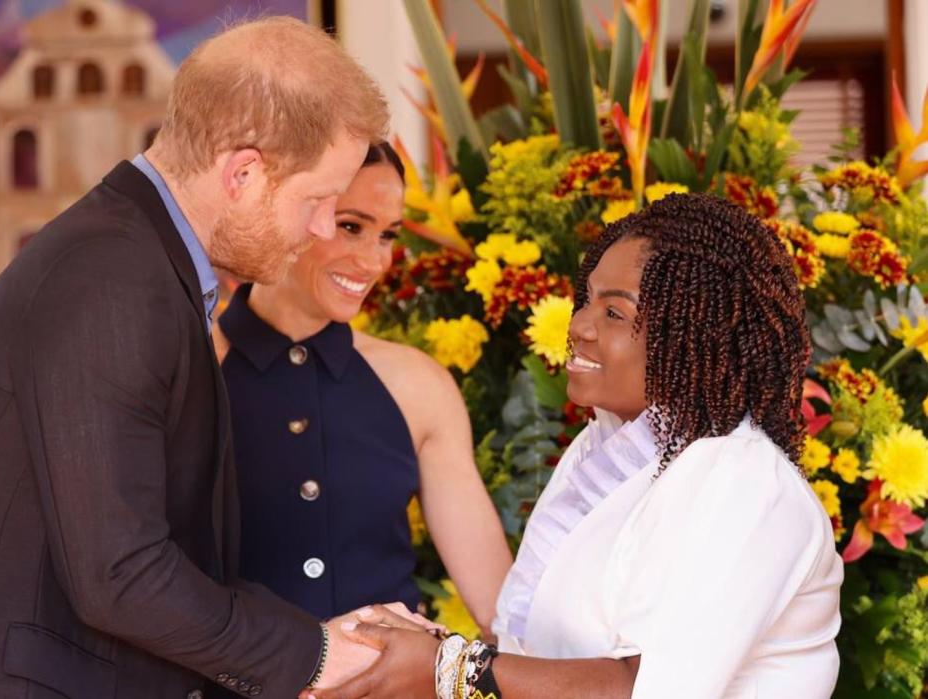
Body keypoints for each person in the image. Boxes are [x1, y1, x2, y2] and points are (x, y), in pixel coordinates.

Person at [0, 17, 399, 699]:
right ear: (243, 173)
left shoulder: (137, 260)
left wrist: (319, 640)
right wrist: (317, 655)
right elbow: (121, 575)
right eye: (318, 201)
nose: (322, 229)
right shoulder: (111, 280)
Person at [310, 193, 844, 699]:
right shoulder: (604, 452)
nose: (580, 326)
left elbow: (645, 688)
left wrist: (446, 667)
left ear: (697, 333)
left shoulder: (745, 481)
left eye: (614, 313)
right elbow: (536, 656)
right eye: (586, 301)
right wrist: (411, 647)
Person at [212, 142, 511, 634]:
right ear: (286, 209)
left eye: (387, 235)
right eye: (351, 226)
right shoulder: (193, 369)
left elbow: (502, 608)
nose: (374, 262)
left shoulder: (420, 385)